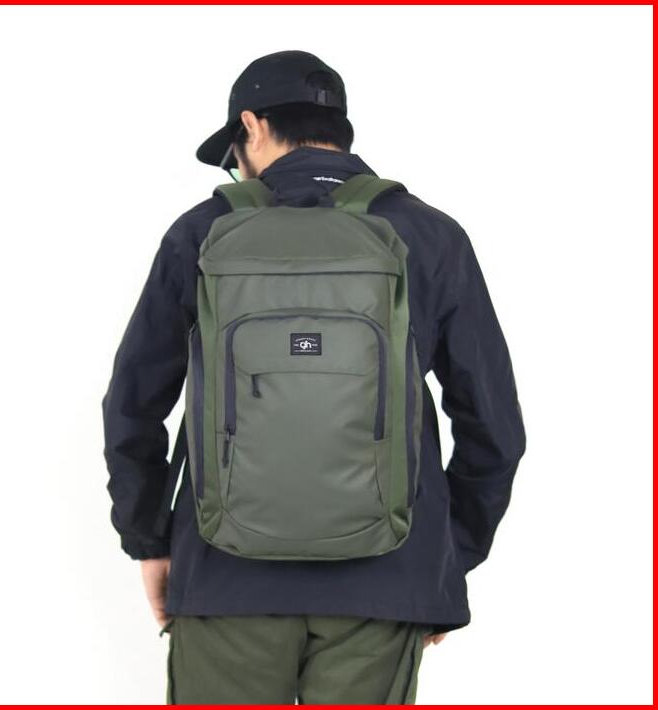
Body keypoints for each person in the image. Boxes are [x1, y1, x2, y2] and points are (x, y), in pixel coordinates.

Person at [102, 50, 527, 705]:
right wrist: (442, 559)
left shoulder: (203, 232)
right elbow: (493, 427)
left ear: (252, 126)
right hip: (386, 582)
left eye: (233, 152)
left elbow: (132, 406)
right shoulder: (432, 236)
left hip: (224, 579)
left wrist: (148, 540)